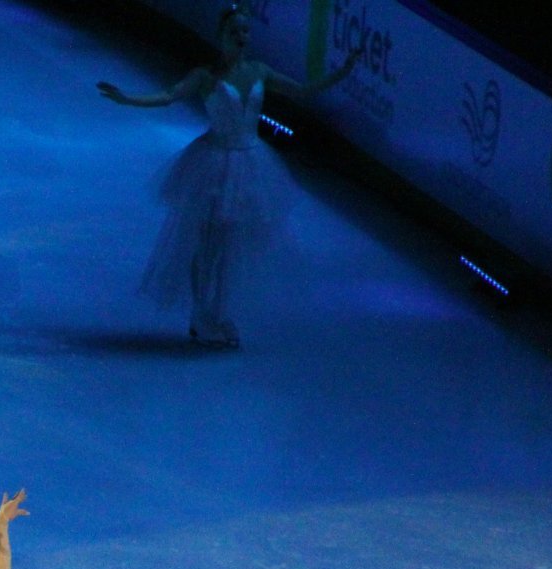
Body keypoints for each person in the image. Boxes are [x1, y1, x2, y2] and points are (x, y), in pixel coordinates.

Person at [98, 5, 362, 348]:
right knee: (205, 241)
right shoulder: (206, 76)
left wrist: (343, 71)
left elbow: (302, 91)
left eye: (246, 32)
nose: (241, 37)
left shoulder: (259, 71)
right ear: (221, 36)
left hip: (250, 164)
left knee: (232, 243)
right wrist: (126, 98)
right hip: (212, 163)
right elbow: (167, 96)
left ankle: (220, 311)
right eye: (235, 32)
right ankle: (200, 312)